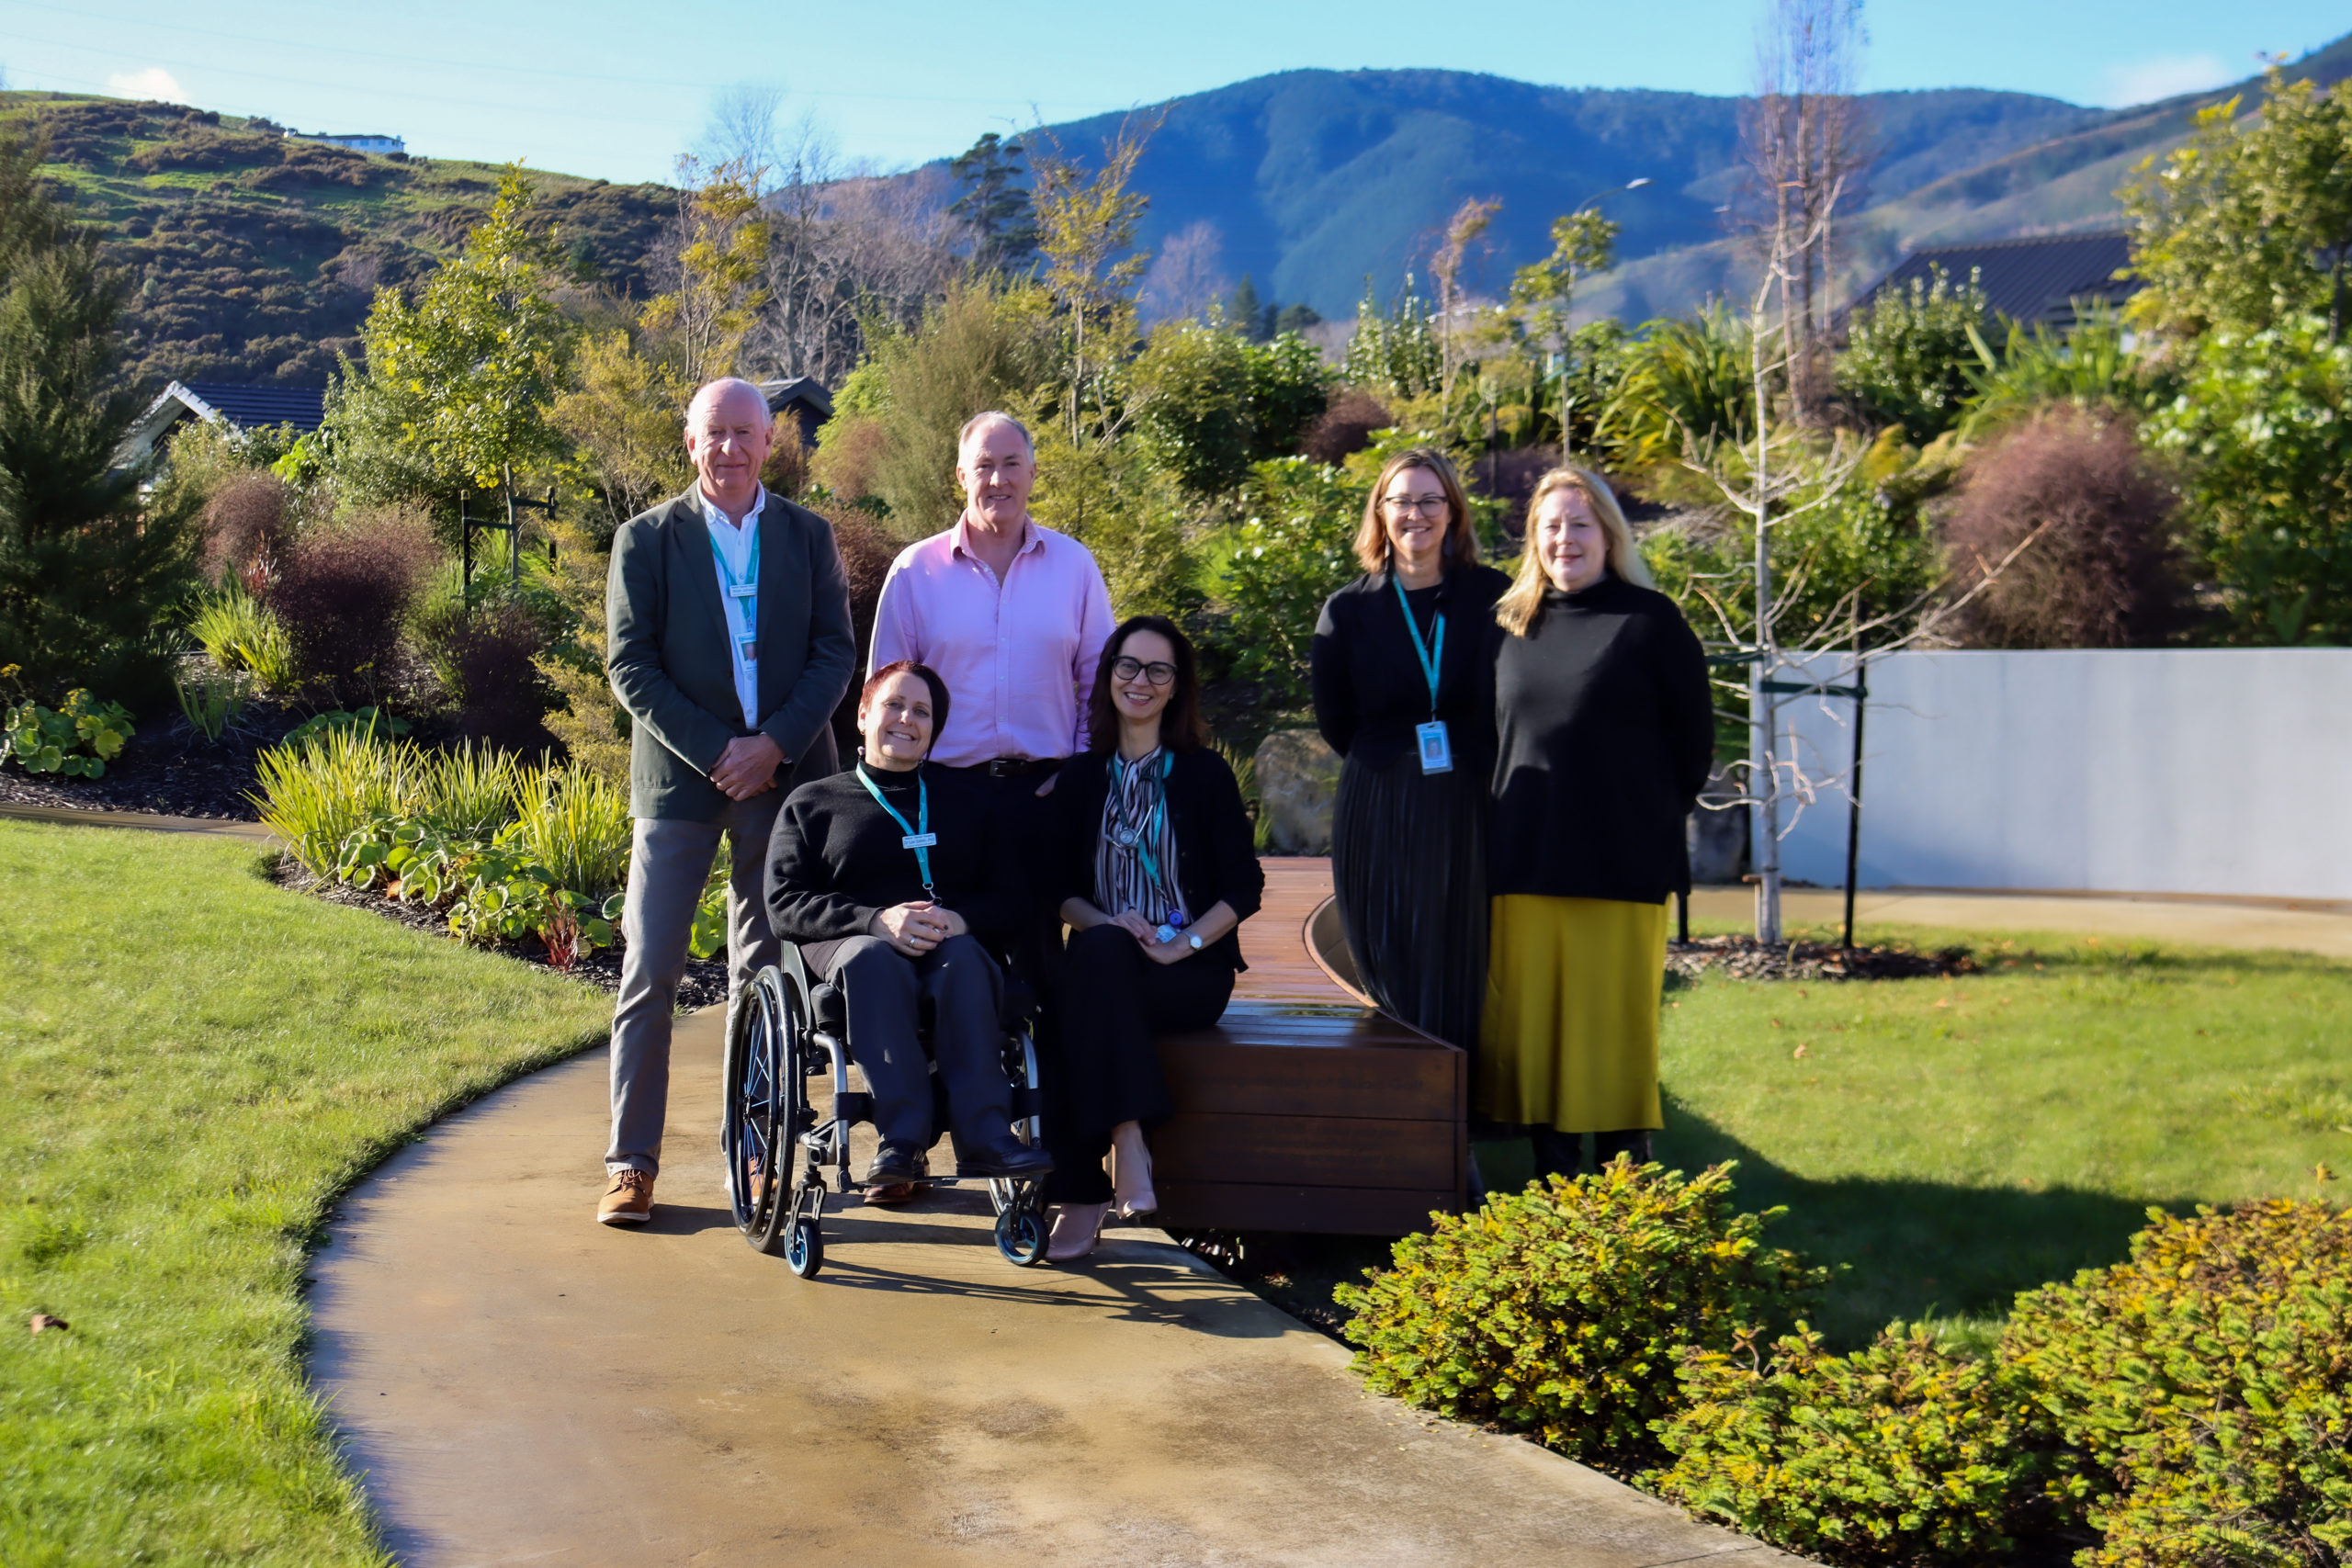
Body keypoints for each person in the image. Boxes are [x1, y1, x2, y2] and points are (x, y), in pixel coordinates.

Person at [599, 377, 856, 1225]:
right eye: (716, 433)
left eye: (746, 433)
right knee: (650, 971)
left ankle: (756, 1155)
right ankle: (631, 1163)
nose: (731, 449)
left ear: (770, 441)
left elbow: (833, 654)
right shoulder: (645, 540)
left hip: (784, 780)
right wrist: (719, 751)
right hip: (680, 783)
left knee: (765, 975)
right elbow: (631, 666)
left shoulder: (807, 536)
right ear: (690, 441)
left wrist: (774, 743)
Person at [1483, 467, 1713, 1179]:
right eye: (1550, 525)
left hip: (1618, 870)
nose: (1564, 538)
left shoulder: (1652, 621)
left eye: (1579, 523)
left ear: (1609, 534)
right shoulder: (1509, 626)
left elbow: (1693, 749)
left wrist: (1633, 819)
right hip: (1523, 865)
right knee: (1540, 1042)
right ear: (1533, 539)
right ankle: (1555, 1187)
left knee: (1611, 1042)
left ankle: (1623, 1191)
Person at [764, 661, 1055, 1189]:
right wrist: (873, 921)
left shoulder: (972, 803)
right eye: (893, 705)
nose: (906, 719)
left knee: (967, 958)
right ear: (863, 715)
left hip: (950, 947)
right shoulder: (812, 803)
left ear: (934, 731)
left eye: (921, 711)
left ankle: (987, 1135)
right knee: (873, 958)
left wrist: (961, 920)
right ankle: (901, 1139)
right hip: (851, 948)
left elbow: (1015, 898)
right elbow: (784, 903)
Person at [1038, 616, 1263, 1261]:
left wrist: (1181, 943)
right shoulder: (1082, 779)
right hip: (1111, 958)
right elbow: (1060, 890)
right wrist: (1108, 923)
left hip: (1188, 972)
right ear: (1108, 676)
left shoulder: (1204, 774)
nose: (1141, 681)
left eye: (1158, 670)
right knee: (1095, 959)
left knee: (1081, 996)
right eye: (1128, 666)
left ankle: (1085, 1196)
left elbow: (1243, 887)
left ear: (1176, 688)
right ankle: (1130, 1134)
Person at [1311, 446, 1510, 1050]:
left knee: (1460, 950)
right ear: (1380, 511)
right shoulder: (1348, 609)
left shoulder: (1493, 596)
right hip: (1380, 796)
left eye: (1431, 500)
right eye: (1401, 500)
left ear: (1453, 512)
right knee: (1387, 941)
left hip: (1466, 799)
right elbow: (1334, 717)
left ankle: (1462, 1112)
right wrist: (1392, 760)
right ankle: (1400, 1099)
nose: (1415, 513)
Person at [867, 411, 1115, 812]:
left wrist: (1084, 769)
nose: (999, 480)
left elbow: (1100, 684)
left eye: (1011, 464)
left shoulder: (1075, 566)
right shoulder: (914, 570)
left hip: (1049, 795)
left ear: (1033, 472)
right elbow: (886, 694)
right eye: (984, 466)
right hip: (941, 795)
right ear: (962, 476)